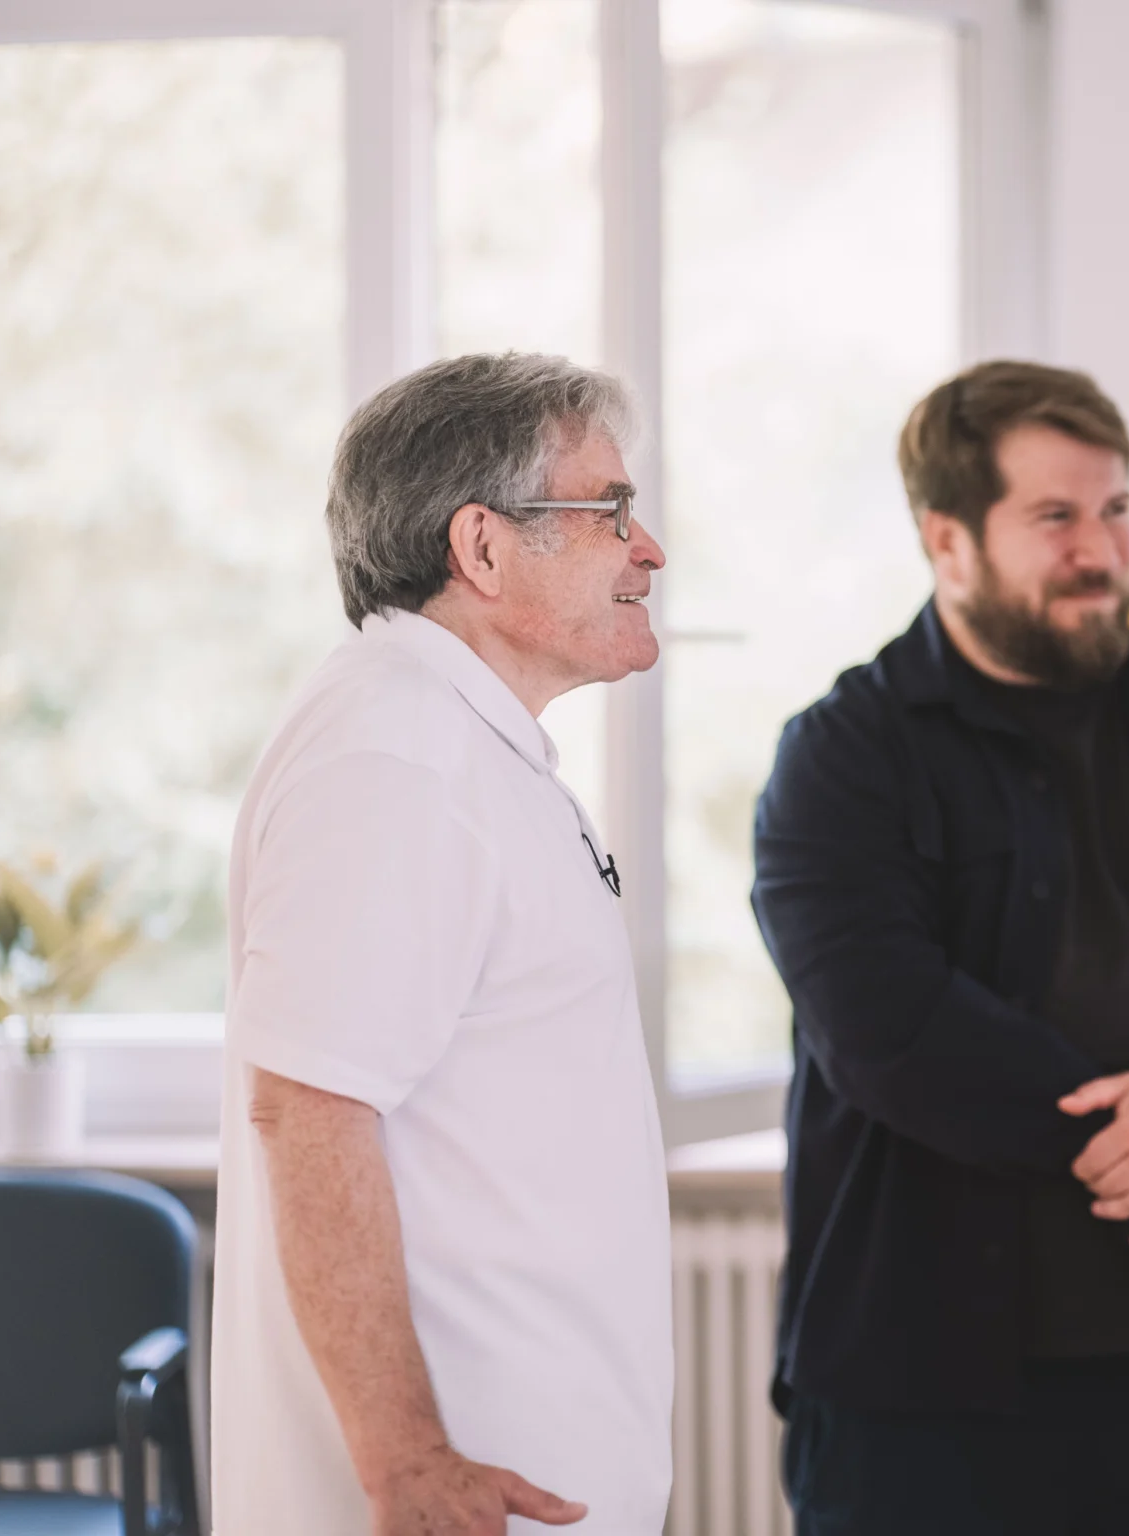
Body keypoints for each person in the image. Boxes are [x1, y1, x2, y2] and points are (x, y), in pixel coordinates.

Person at [752, 359, 1129, 1535]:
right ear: (947, 540)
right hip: (916, 1388)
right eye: (1054, 517)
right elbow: (883, 1022)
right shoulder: (842, 755)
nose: (1100, 549)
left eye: (1115, 508)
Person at [211, 353, 674, 1535]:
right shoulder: (395, 757)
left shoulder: (459, 743)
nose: (648, 549)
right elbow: (308, 1111)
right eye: (610, 509)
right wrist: (409, 1461)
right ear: (481, 547)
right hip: (456, 1501)